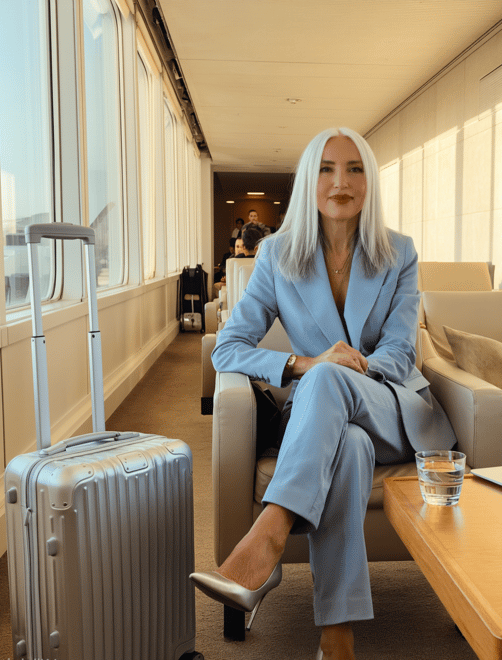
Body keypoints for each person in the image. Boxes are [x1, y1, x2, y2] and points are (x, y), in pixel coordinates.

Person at [191, 127, 456, 660]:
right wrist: (303, 362)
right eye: (327, 169)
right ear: (309, 181)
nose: (341, 181)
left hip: (392, 409)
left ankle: (267, 536)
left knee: (334, 383)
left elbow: (403, 351)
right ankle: (338, 635)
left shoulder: (398, 252)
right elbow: (228, 347)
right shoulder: (276, 256)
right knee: (349, 446)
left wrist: (340, 370)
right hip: (328, 426)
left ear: (370, 182)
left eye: (355, 169)